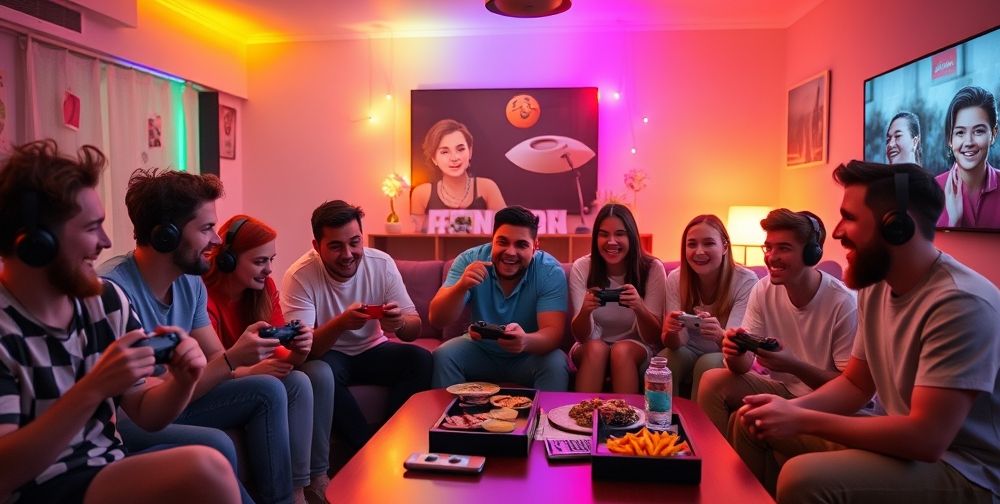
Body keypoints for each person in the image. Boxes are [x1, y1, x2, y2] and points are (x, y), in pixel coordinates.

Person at [731, 160, 1000, 503]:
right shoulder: (876, 286)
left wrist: (801, 418)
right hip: (902, 443)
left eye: (850, 217)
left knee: (803, 478)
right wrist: (787, 411)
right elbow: (856, 385)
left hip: (964, 469)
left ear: (897, 227)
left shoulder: (961, 302)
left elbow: (926, 438)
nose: (838, 231)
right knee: (752, 422)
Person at [0, 140, 239, 504]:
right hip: (33, 489)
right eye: (91, 228)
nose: (105, 241)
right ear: (37, 243)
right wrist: (92, 389)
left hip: (103, 471)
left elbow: (145, 411)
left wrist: (182, 380)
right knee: (205, 467)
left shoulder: (105, 302)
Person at [99, 169, 302, 504]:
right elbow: (145, 400)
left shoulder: (189, 280)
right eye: (207, 228)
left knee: (268, 388)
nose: (217, 240)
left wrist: (234, 358)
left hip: (177, 397)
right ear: (166, 235)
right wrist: (230, 360)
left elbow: (215, 357)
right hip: (130, 415)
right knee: (216, 443)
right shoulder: (114, 291)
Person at [280, 200, 432, 454]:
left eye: (355, 242)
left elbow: (413, 329)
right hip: (329, 356)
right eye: (336, 246)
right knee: (318, 373)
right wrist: (340, 324)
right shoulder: (300, 276)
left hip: (373, 349)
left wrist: (399, 323)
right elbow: (304, 352)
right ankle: (366, 451)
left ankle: (394, 440)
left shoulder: (381, 264)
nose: (349, 254)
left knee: (420, 359)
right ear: (317, 247)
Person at [203, 215, 334, 502]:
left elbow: (284, 356)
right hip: (217, 382)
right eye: (260, 261)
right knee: (286, 384)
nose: (269, 270)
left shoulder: (265, 290)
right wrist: (250, 371)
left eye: (271, 259)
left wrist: (300, 348)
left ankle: (299, 490)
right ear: (228, 259)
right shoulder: (204, 298)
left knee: (302, 378)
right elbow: (207, 369)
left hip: (247, 375)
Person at [696, 209, 857, 436]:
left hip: (827, 404)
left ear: (812, 254)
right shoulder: (763, 288)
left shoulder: (843, 303)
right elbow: (742, 366)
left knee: (744, 420)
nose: (771, 257)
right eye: (769, 247)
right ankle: (711, 463)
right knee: (713, 380)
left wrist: (793, 365)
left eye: (784, 248)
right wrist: (734, 353)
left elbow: (851, 388)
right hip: (784, 390)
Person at [430, 206, 569, 390]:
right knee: (444, 355)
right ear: (492, 241)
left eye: (521, 244)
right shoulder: (469, 261)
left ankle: (543, 419)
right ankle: (448, 418)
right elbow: (437, 319)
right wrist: (461, 287)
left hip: (528, 355)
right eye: (503, 242)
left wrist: (525, 341)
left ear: (535, 245)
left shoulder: (549, 271)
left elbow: (553, 332)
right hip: (480, 350)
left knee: (556, 363)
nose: (510, 252)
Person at [659, 215, 758, 399]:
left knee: (707, 363)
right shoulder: (675, 278)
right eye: (692, 244)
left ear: (724, 247)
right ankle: (663, 424)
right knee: (666, 359)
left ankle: (697, 427)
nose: (699, 252)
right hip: (687, 349)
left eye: (708, 243)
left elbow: (738, 344)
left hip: (724, 352)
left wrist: (720, 334)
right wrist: (671, 331)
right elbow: (674, 344)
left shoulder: (746, 280)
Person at [569, 204, 665, 393]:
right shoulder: (582, 267)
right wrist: (585, 311)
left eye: (620, 234)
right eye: (604, 234)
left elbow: (653, 337)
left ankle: (626, 420)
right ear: (596, 238)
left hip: (635, 345)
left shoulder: (653, 268)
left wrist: (639, 307)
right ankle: (582, 420)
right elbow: (581, 336)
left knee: (621, 350)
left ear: (632, 236)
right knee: (597, 349)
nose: (611, 241)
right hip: (590, 345)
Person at [410, 119, 506, 230]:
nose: (454, 158)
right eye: (445, 152)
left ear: (470, 152)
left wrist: (448, 222)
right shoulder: (422, 193)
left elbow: (506, 228)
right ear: (434, 158)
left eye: (460, 149)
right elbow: (415, 238)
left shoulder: (487, 187)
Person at [935, 86, 1000, 229]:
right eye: (960, 133)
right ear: (950, 140)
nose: (969, 142)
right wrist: (954, 222)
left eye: (978, 131)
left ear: (993, 134)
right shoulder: (932, 190)